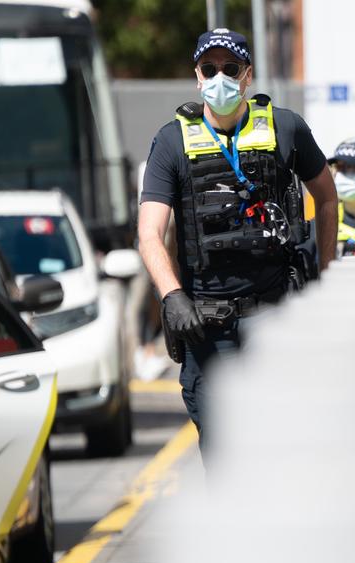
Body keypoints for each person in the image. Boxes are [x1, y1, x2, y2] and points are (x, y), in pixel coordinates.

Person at [136, 28, 335, 436]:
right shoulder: (172, 141)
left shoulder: (285, 127)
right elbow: (150, 233)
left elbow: (327, 197)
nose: (219, 78)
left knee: (287, 443)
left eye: (230, 68)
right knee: (226, 457)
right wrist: (171, 295)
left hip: (277, 321)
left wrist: (327, 275)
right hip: (208, 327)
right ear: (197, 75)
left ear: (248, 75)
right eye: (210, 69)